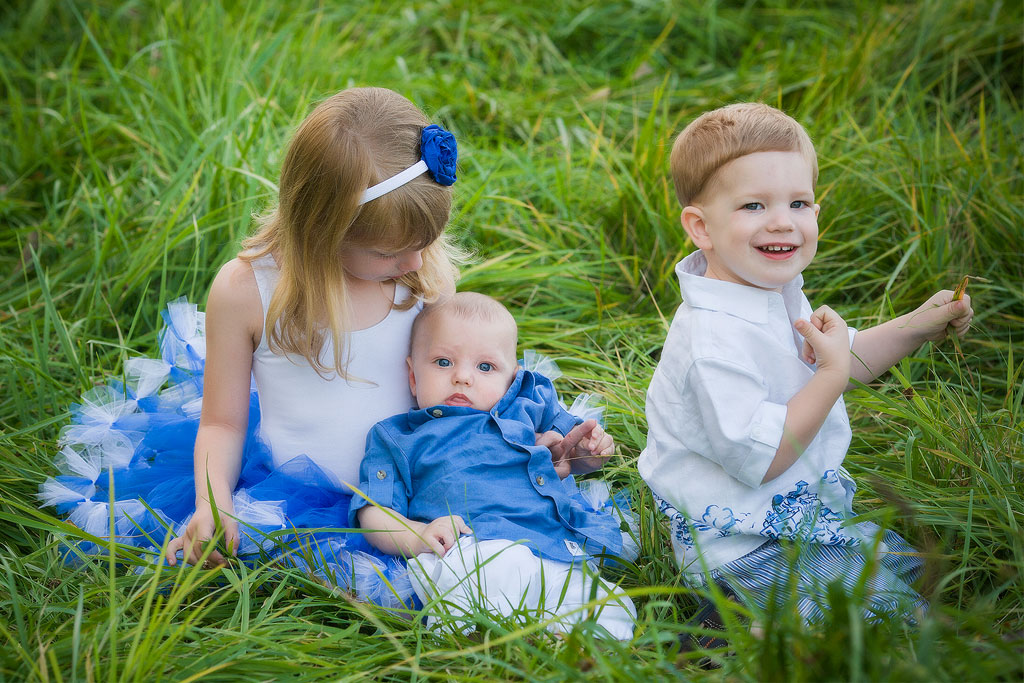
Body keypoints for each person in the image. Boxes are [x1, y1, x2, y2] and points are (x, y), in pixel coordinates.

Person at [638, 103, 974, 625]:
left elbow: (836, 360)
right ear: (701, 227)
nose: (782, 222)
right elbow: (764, 456)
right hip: (743, 546)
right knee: (893, 616)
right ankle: (733, 624)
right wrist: (831, 375)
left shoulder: (765, 285)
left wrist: (915, 325)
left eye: (798, 202)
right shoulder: (712, 342)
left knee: (916, 563)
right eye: (753, 205)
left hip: (800, 518)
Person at [349, 292, 636, 639]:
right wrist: (419, 534)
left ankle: (566, 651)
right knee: (492, 574)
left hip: (551, 545)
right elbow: (373, 512)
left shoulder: (527, 407)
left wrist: (588, 455)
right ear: (412, 376)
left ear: (511, 379)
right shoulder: (399, 437)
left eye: (485, 367)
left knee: (612, 606)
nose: (463, 377)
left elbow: (569, 448)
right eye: (442, 362)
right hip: (469, 547)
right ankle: (476, 650)